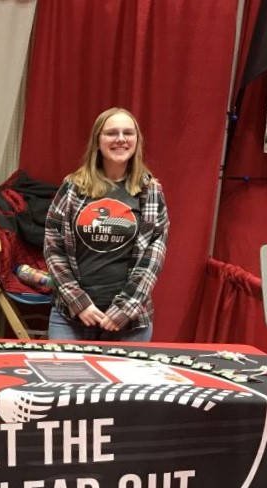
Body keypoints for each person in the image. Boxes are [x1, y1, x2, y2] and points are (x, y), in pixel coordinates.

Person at [44, 107, 169, 342]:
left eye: (128, 133)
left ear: (136, 141)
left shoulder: (151, 191)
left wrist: (124, 310)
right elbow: (53, 247)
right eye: (111, 133)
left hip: (130, 323)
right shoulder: (72, 187)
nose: (120, 139)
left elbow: (153, 258)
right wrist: (78, 303)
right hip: (71, 318)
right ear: (98, 141)